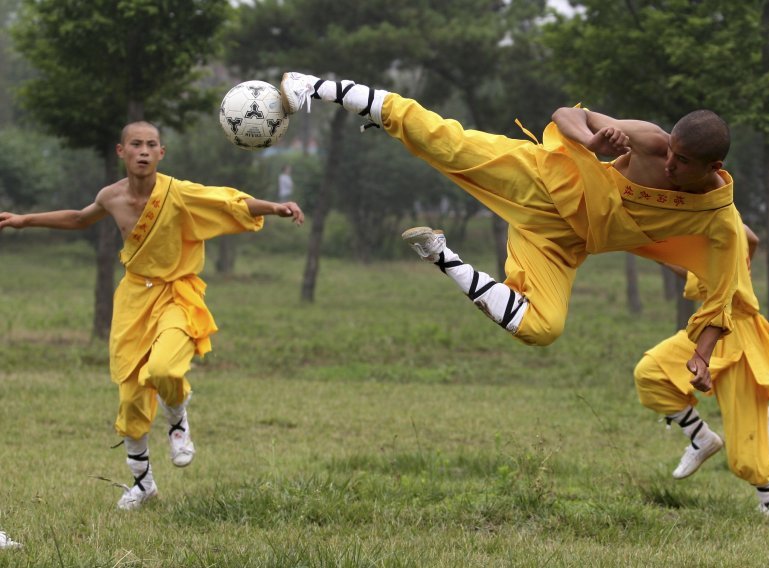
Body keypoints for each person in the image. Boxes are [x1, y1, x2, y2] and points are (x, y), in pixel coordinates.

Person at [279, 72, 740, 388]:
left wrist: (700, 356)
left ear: (713, 167)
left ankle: (440, 254)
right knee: (444, 141)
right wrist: (591, 140)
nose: (669, 163)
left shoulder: (719, 219)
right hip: (542, 177)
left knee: (544, 328)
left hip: (559, 244)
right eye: (671, 152)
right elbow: (566, 114)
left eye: (681, 162)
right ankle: (316, 86)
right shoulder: (653, 141)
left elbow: (722, 293)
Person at [0, 121, 304, 510]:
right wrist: (25, 220)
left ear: (161, 154)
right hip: (133, 301)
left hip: (177, 294)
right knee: (130, 397)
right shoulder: (110, 197)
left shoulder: (177, 193)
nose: (143, 151)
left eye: (151, 145)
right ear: (121, 152)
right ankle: (143, 485)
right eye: (136, 144)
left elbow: (230, 202)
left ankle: (177, 420)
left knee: (163, 370)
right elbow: (79, 218)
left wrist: (275, 207)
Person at [634, 221, 769, 516]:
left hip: (742, 341)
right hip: (708, 331)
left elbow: (747, 241)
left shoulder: (724, 239)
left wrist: (717, 210)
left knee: (744, 455)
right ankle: (700, 436)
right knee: (650, 372)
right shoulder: (711, 241)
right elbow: (746, 242)